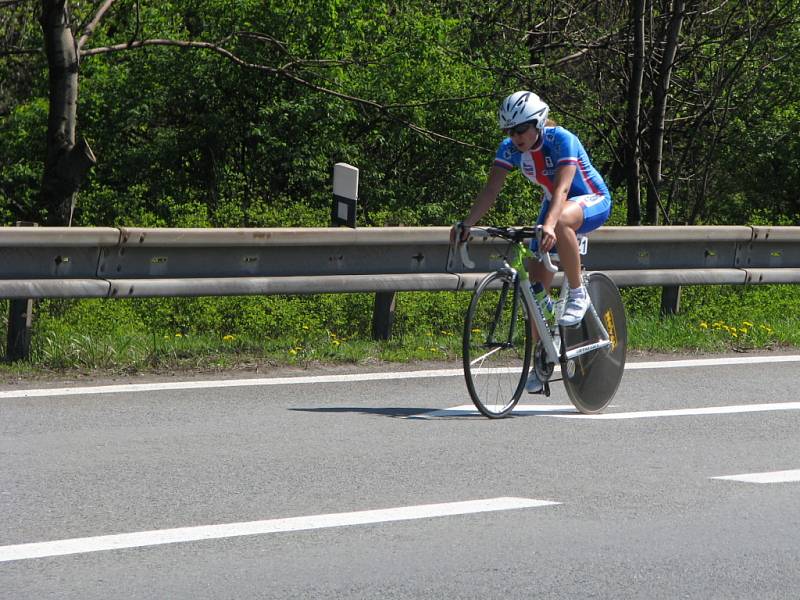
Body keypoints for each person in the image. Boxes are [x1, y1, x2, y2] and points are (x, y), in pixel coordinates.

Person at [452, 90, 612, 393]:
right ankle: (544, 353)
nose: (515, 137)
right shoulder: (509, 149)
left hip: (590, 200)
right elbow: (491, 190)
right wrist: (467, 224)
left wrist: (550, 224)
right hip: (555, 203)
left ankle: (578, 293)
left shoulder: (562, 139)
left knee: (561, 219)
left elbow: (564, 188)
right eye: (509, 131)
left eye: (521, 129)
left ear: (538, 123)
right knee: (533, 281)